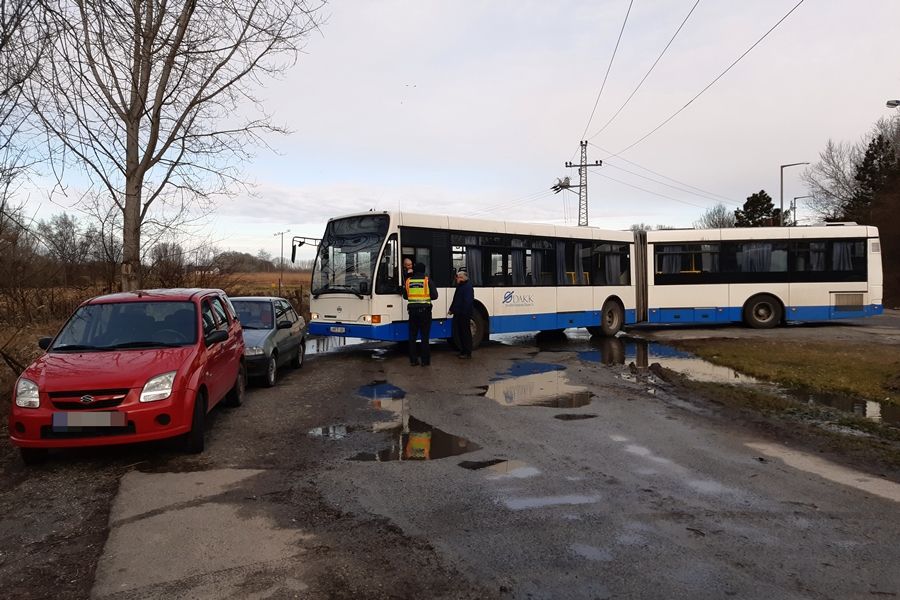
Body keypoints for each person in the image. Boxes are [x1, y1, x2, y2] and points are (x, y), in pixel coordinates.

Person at [403, 262, 438, 366]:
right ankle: (425, 361)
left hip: (412, 312)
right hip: (425, 312)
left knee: (412, 337)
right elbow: (435, 296)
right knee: (424, 337)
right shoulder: (427, 280)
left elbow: (405, 296)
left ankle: (413, 360)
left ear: (414, 270)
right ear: (423, 270)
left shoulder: (408, 281)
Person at [448, 270, 474, 358]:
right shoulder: (460, 286)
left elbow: (468, 302)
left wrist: (463, 313)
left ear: (462, 278)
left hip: (464, 315)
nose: (456, 279)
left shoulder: (467, 287)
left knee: (465, 333)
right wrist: (451, 309)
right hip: (458, 313)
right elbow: (455, 299)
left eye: (458, 277)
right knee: (460, 333)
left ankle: (467, 352)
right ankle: (463, 350)